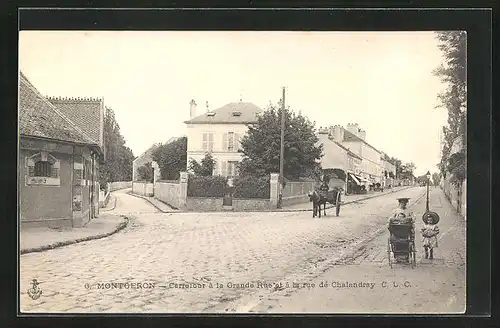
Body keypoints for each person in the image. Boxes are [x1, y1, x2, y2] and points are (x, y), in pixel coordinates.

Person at [388, 197, 415, 262]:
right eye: (402, 203)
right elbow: (390, 219)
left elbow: (413, 218)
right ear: (399, 203)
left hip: (406, 230)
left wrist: (409, 220)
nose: (404, 204)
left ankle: (406, 256)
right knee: (394, 241)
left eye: (405, 203)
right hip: (397, 229)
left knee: (408, 240)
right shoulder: (395, 211)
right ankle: (396, 256)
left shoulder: (408, 211)